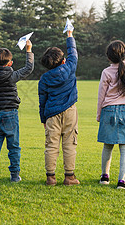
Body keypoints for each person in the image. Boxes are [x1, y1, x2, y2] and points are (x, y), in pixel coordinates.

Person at [96, 20, 125, 189]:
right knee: (124, 147)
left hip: (108, 110)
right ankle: (122, 181)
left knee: (107, 145)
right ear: (124, 55)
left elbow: (101, 95)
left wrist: (98, 115)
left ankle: (104, 177)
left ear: (109, 57)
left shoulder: (106, 72)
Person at [0, 40, 34, 187]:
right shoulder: (12, 76)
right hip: (10, 114)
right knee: (14, 147)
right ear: (10, 63)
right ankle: (15, 175)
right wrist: (28, 50)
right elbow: (28, 68)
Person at [38, 29, 79, 186]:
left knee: (51, 145)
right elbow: (73, 53)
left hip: (51, 114)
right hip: (70, 111)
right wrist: (69, 36)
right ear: (63, 61)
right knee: (70, 144)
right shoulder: (69, 67)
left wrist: (43, 118)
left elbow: (42, 100)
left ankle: (51, 178)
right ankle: (69, 177)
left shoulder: (44, 79)